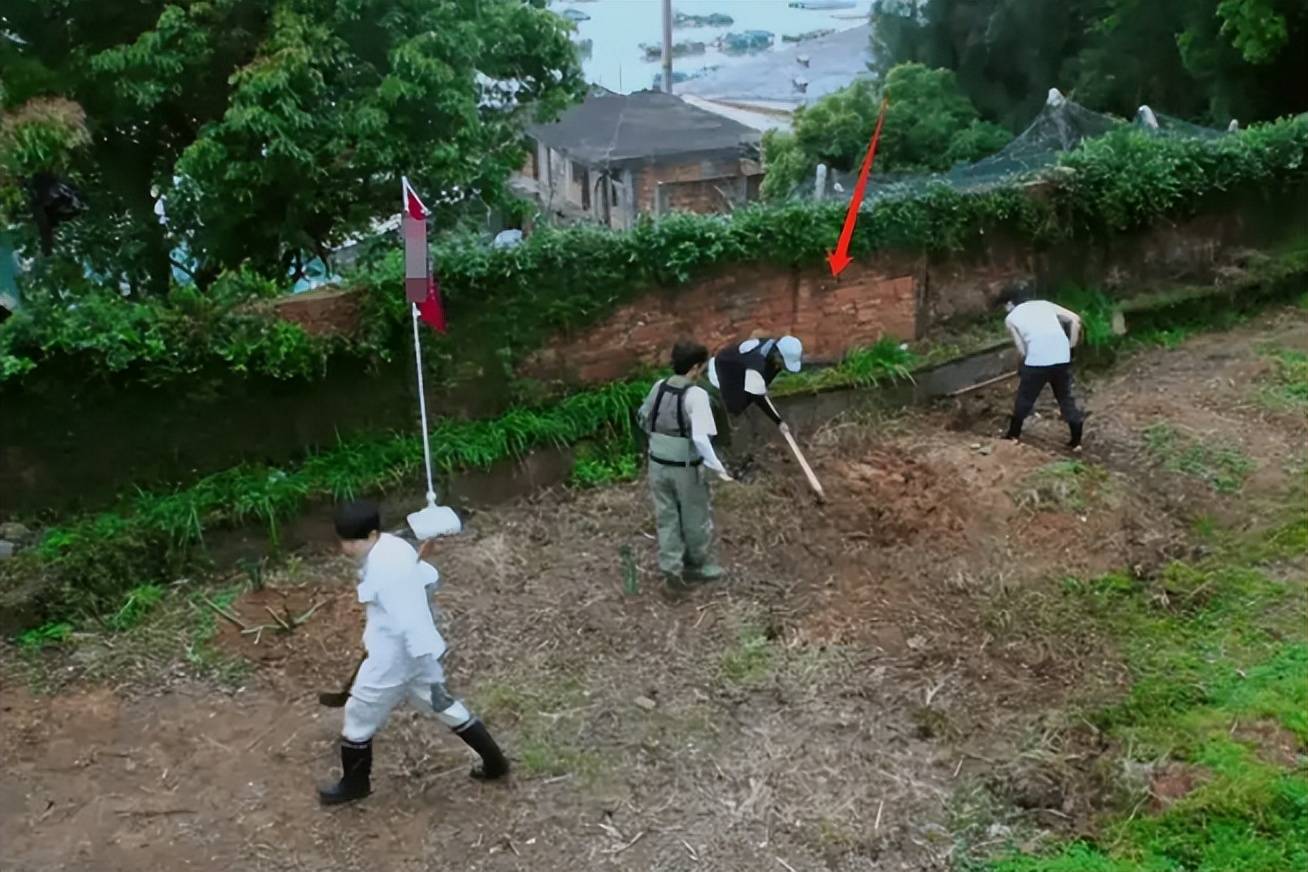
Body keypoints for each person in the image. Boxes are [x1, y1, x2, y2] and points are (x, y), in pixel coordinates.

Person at [318, 499, 508, 805]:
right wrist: (427, 661)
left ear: (371, 535)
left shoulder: (385, 568)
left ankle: (355, 784)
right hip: (416, 657)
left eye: (353, 542)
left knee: (358, 714)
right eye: (344, 541)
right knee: (442, 705)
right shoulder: (392, 546)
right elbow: (425, 578)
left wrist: (418, 654)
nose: (347, 548)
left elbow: (408, 618)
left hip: (394, 659)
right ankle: (495, 762)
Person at [637, 340, 731, 590]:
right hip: (685, 467)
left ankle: (670, 567)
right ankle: (696, 565)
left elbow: (644, 418)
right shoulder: (696, 396)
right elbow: (701, 438)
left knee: (666, 516)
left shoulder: (659, 386)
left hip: (657, 463)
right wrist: (717, 466)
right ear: (696, 367)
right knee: (694, 516)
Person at [998, 284, 1086, 449]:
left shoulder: (1010, 318)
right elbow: (1075, 319)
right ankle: (1076, 439)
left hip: (1037, 361)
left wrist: (1025, 364)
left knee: (1025, 397)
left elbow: (1022, 348)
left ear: (1009, 303)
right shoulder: (1044, 304)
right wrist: (1070, 346)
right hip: (1062, 357)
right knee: (1064, 397)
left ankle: (1013, 435)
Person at [707, 334, 803, 434]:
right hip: (723, 371)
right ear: (778, 354)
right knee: (737, 406)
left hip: (733, 362)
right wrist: (778, 421)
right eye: (784, 363)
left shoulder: (769, 346)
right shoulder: (757, 367)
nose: (783, 367)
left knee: (755, 388)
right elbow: (759, 398)